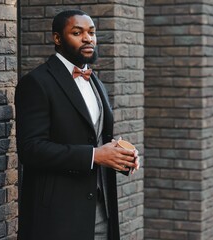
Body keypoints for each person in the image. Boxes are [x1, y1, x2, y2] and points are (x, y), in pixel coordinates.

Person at [15, 9, 140, 240]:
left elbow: (96, 139)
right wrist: (93, 156)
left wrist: (121, 156)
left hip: (101, 211)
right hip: (58, 217)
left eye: (92, 32)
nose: (88, 38)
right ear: (57, 38)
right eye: (77, 32)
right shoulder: (36, 82)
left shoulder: (96, 82)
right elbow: (30, 149)